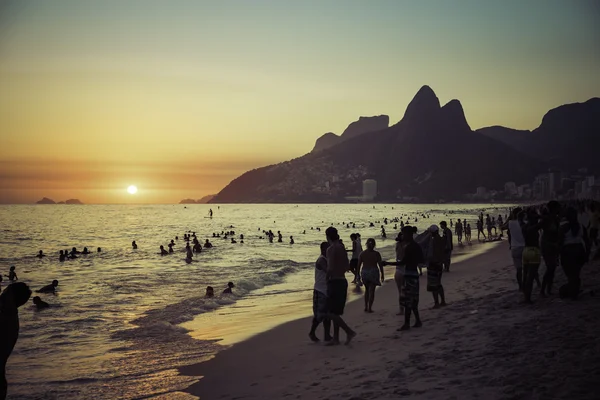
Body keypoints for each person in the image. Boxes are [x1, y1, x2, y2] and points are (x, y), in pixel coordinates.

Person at [382, 226, 423, 330]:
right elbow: (422, 259)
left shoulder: (409, 247)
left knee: (408, 300)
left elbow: (403, 262)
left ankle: (407, 324)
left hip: (409, 274)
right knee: (413, 299)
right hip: (414, 273)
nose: (403, 236)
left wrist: (387, 263)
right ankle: (417, 321)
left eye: (404, 234)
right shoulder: (417, 246)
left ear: (408, 234)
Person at [324, 227, 356, 345]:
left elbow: (330, 268)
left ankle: (349, 331)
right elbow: (347, 266)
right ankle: (336, 338)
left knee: (329, 312)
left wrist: (326, 278)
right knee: (336, 312)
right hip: (342, 280)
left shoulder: (331, 249)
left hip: (335, 282)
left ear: (328, 236)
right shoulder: (342, 247)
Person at [0, 282, 32, 400]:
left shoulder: (6, 319)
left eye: (6, 291)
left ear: (12, 298)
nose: (2, 293)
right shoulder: (8, 315)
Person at [559, 207, 588, 299]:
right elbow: (587, 241)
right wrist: (587, 254)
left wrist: (557, 255)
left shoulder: (564, 227)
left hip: (568, 251)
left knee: (570, 274)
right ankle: (574, 291)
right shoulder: (581, 226)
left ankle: (572, 293)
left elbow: (560, 242)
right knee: (576, 273)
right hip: (579, 250)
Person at [308, 242, 332, 342]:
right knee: (319, 315)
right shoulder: (321, 260)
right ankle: (312, 332)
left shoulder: (327, 259)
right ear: (322, 249)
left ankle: (327, 335)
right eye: (327, 248)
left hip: (327, 289)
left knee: (328, 315)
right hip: (320, 290)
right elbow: (328, 271)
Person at [357, 238, 384, 313]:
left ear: (366, 244)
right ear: (374, 245)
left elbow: (358, 265)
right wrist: (382, 274)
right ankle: (369, 308)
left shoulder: (362, 253)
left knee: (367, 290)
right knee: (372, 291)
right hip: (373, 272)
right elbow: (380, 265)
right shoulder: (376, 254)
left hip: (365, 272)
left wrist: (358, 275)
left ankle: (366, 306)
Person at [521, 210, 542, 304]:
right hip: (534, 250)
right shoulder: (533, 227)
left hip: (525, 251)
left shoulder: (524, 227)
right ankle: (528, 298)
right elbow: (543, 221)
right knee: (531, 276)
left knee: (525, 275)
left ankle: (525, 296)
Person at [540, 201, 561, 296]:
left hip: (554, 245)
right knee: (550, 267)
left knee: (552, 269)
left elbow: (557, 234)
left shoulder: (556, 219)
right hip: (546, 245)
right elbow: (537, 228)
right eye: (558, 208)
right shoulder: (546, 219)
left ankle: (549, 289)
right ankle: (542, 290)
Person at [426, 225, 447, 308]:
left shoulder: (433, 241)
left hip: (433, 264)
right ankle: (443, 301)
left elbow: (431, 253)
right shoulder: (441, 239)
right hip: (439, 264)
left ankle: (436, 303)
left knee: (433, 285)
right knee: (438, 283)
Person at [508, 208, 525, 291]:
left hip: (515, 248)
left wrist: (510, 216)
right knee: (527, 268)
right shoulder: (524, 223)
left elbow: (502, 227)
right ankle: (534, 282)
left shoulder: (510, 223)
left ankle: (520, 286)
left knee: (519, 269)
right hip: (524, 247)